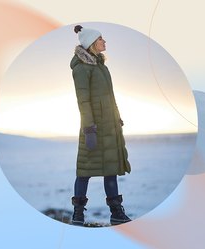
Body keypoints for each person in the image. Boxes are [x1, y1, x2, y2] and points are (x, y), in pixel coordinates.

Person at [69, 25, 132, 226]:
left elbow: (109, 97)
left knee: (110, 168)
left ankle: (116, 213)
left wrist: (117, 117)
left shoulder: (102, 66)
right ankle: (78, 214)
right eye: (101, 39)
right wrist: (89, 128)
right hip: (93, 127)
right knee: (85, 170)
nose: (105, 42)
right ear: (91, 43)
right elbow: (83, 100)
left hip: (109, 126)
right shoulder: (81, 68)